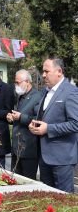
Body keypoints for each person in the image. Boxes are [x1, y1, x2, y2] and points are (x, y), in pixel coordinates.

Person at [28, 57, 78, 193]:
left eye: (46, 71)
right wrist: (34, 123)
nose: (43, 75)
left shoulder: (70, 92)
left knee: (64, 201)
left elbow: (75, 124)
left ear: (59, 71)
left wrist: (48, 129)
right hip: (44, 157)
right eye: (42, 71)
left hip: (62, 159)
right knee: (48, 199)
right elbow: (43, 116)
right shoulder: (45, 91)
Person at [6, 69, 42, 180]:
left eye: (18, 82)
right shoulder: (20, 96)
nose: (16, 85)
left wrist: (21, 117)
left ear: (27, 81)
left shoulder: (37, 97)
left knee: (28, 182)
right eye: (15, 83)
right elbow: (17, 115)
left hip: (29, 150)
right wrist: (11, 118)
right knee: (15, 181)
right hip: (16, 148)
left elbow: (38, 120)